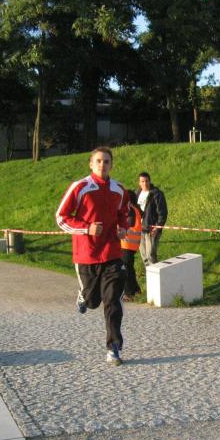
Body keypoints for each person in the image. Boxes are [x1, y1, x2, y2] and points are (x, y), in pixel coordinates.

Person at [56, 147, 129, 365]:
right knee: (93, 301)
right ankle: (83, 296)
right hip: (86, 254)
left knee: (113, 301)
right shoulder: (80, 187)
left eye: (106, 161)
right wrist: (86, 228)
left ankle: (113, 348)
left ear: (111, 164)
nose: (102, 165)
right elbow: (61, 217)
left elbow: (124, 214)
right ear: (91, 164)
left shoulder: (119, 189)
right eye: (98, 161)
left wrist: (123, 228)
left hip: (112, 252)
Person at [136, 171, 168, 269]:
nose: (145, 183)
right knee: (144, 256)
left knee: (150, 255)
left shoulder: (156, 194)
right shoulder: (137, 194)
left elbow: (162, 213)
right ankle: (150, 275)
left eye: (146, 181)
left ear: (150, 181)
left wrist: (157, 227)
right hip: (140, 229)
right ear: (139, 183)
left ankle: (157, 275)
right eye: (142, 181)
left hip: (151, 230)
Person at [120, 189, 143, 300]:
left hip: (127, 243)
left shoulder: (130, 210)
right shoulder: (135, 209)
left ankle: (129, 293)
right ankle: (136, 290)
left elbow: (127, 224)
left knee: (126, 269)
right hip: (131, 244)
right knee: (129, 268)